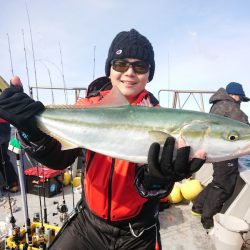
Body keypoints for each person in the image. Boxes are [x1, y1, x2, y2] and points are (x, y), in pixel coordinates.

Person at [0, 29, 206, 250]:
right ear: (109, 70)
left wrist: (158, 179)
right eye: (120, 64)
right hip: (88, 223)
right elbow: (58, 159)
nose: (129, 72)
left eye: (140, 67)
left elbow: (149, 189)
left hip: (137, 232)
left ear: (149, 74)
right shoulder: (87, 107)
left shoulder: (161, 118)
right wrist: (30, 128)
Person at [192, 82, 249, 229]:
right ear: (234, 95)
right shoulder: (231, 107)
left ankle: (197, 207)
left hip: (216, 151)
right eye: (240, 98)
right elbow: (244, 128)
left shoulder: (217, 104)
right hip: (227, 152)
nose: (240, 101)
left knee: (217, 182)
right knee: (224, 186)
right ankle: (208, 219)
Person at [0, 90, 18, 193]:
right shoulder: (5, 100)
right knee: (4, 159)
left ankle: (12, 184)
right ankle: (12, 184)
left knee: (3, 159)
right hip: (6, 132)